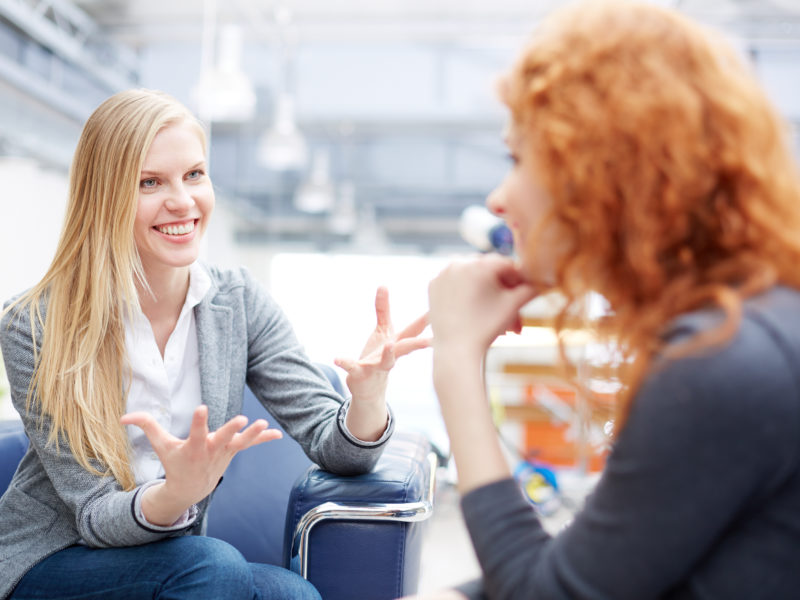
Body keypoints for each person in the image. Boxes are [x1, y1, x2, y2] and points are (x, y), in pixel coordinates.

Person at [413, 1, 800, 598]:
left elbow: (548, 594)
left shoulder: (721, 363)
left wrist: (457, 359)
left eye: (518, 160)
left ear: (602, 170)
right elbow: (613, 560)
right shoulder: (748, 329)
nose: (497, 199)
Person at [0, 88, 428, 599]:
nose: (182, 201)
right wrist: (177, 493)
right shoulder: (34, 323)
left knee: (294, 596)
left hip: (172, 556)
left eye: (194, 175)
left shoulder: (237, 302)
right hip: (53, 559)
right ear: (105, 195)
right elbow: (94, 517)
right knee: (212, 567)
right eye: (149, 182)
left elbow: (339, 451)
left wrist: (368, 399)